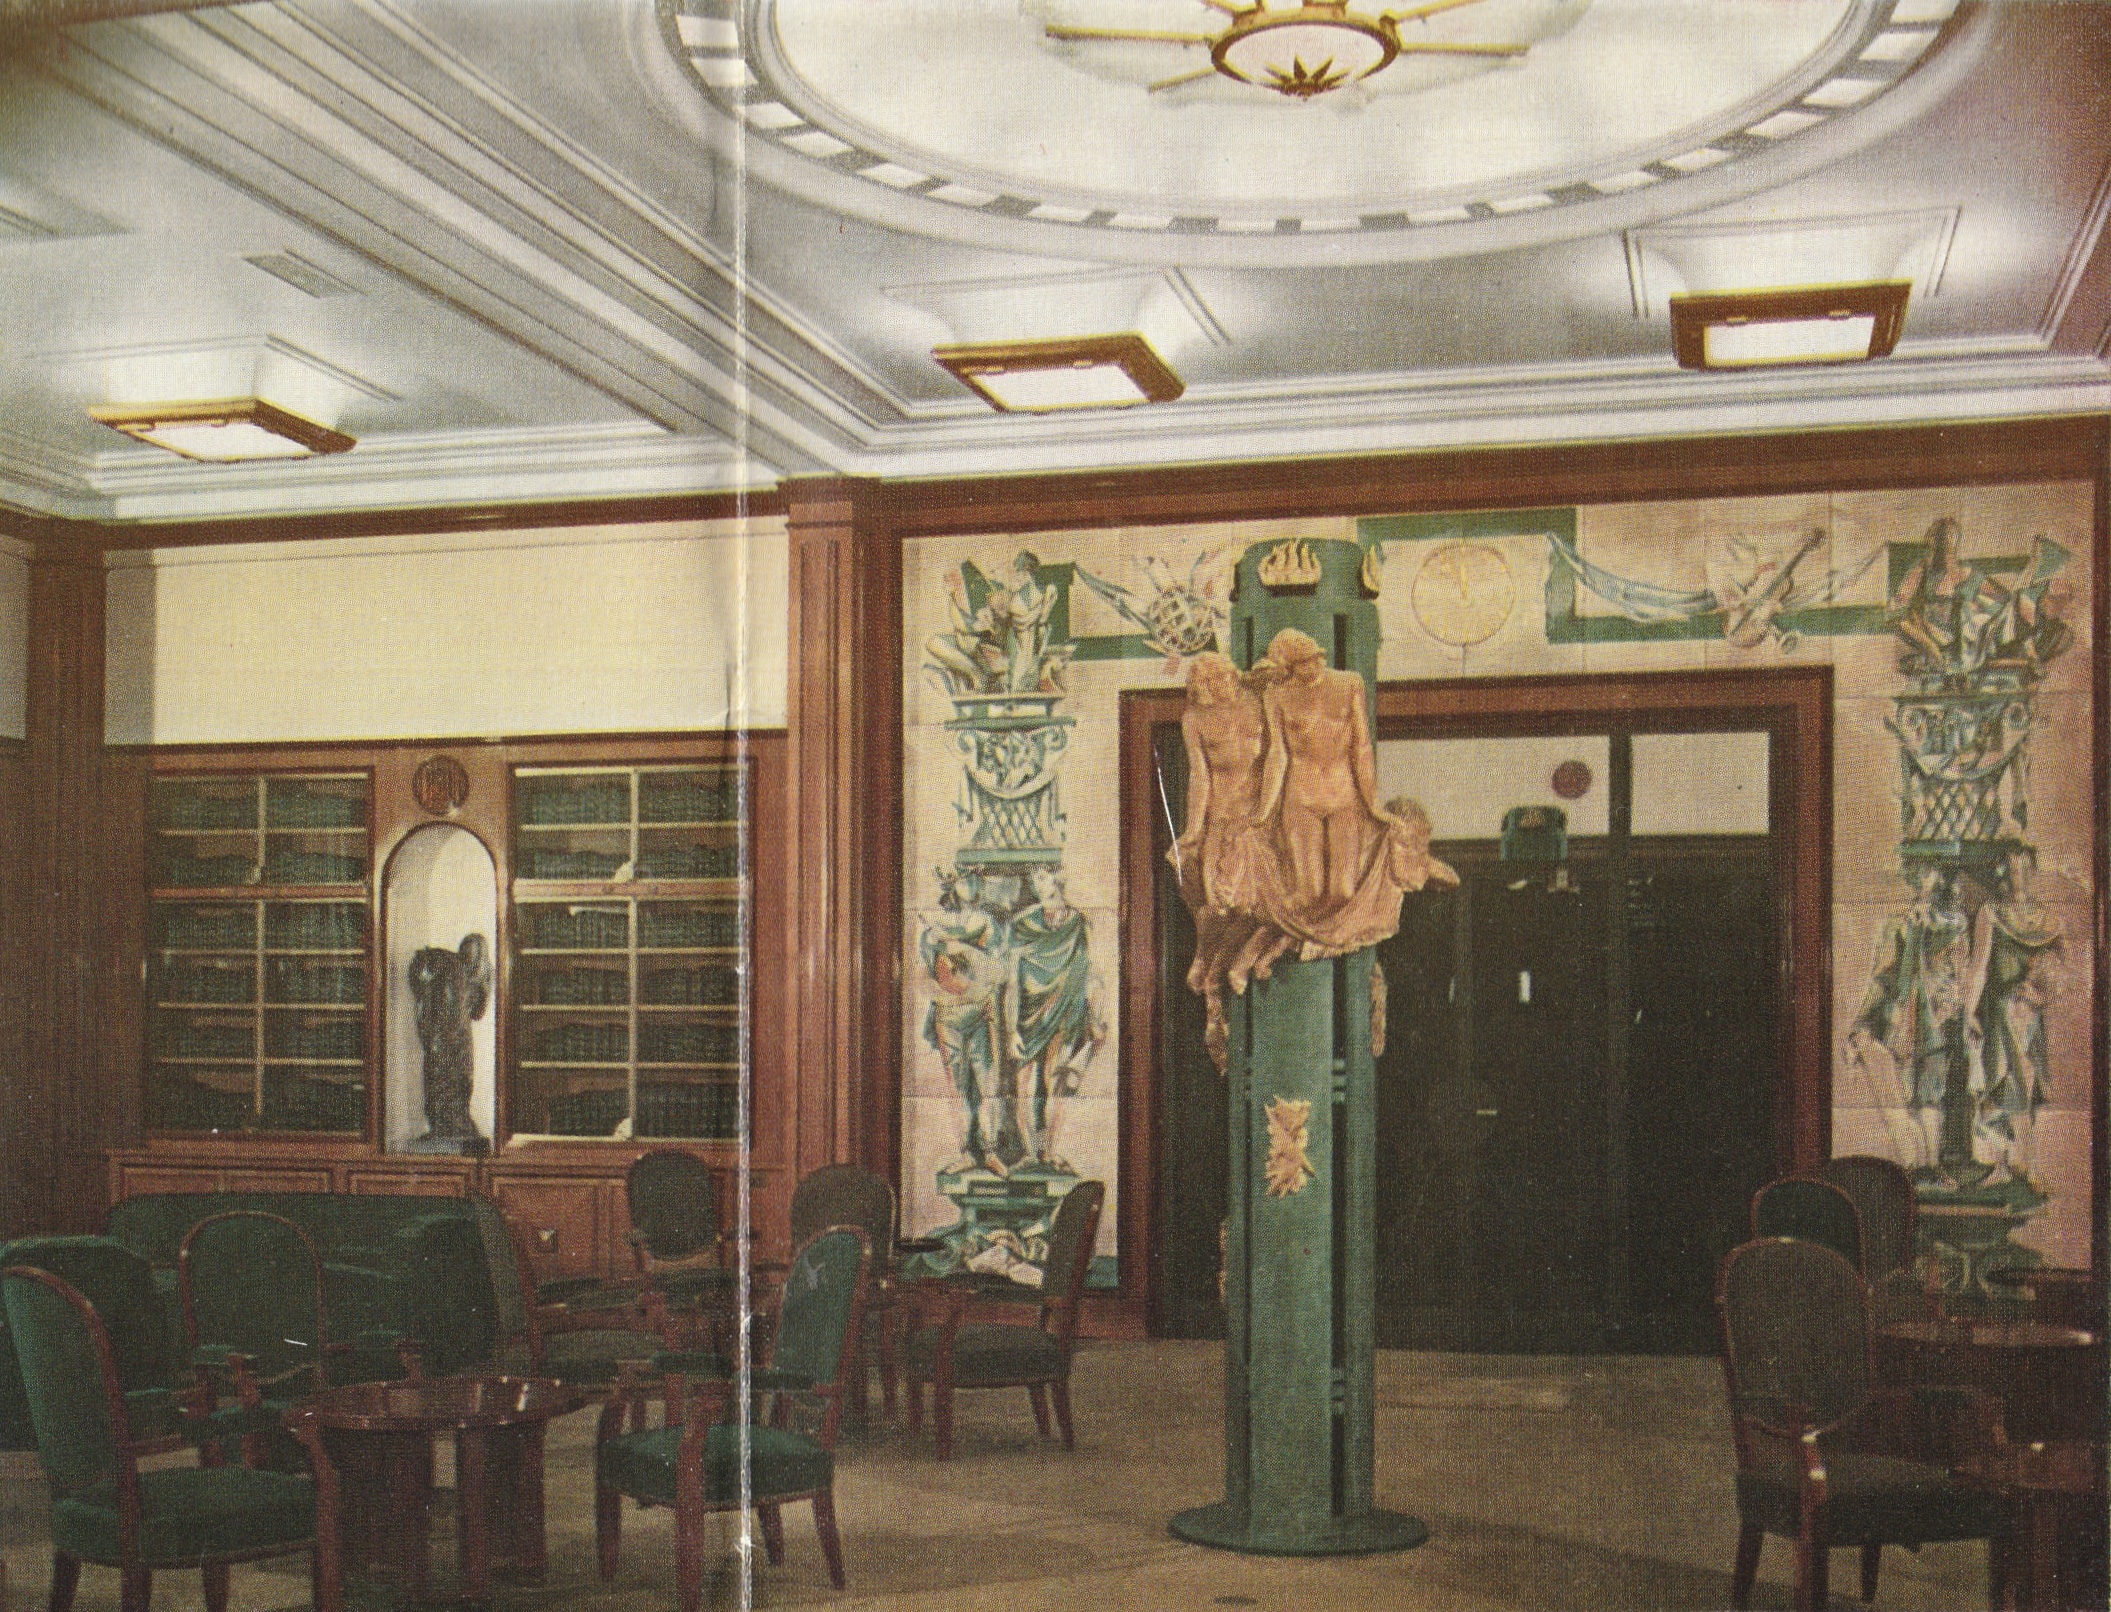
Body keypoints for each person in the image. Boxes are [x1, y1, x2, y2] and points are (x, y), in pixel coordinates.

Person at [1845, 863, 1970, 1183]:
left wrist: (1953, 1005)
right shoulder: (1897, 925)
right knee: (1905, 1094)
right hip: (1902, 1022)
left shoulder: (1953, 925)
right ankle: (1914, 1168)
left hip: (1937, 1021)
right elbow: (1881, 978)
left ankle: (1932, 1166)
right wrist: (1862, 1021)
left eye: (1932, 874)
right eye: (1922, 874)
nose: (1927, 882)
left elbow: (1961, 975)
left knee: (1931, 1093)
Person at [1964, 850, 2062, 1196]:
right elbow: (1978, 967)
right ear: (2003, 874)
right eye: (2011, 870)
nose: (2017, 877)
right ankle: (2015, 1166)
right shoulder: (1991, 913)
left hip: (2029, 1017)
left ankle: (2014, 1166)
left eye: (2023, 870)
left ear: (2032, 873)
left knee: (2024, 1088)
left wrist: (2038, 995)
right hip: (2000, 1015)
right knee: (2007, 1086)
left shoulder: (2045, 918)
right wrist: (1968, 1012)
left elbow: (2057, 975)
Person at [1010, 865, 1099, 1169]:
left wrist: (1093, 1017)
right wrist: (1011, 1028)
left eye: (1042, 877)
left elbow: (1090, 972)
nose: (1037, 884)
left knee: (1054, 1083)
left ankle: (1048, 1152)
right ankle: (1028, 1154)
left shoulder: (1078, 923)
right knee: (1022, 1088)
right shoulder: (1022, 924)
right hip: (1027, 1014)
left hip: (1064, 1010)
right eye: (1033, 878)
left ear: (1058, 877)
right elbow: (1012, 979)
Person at [920, 872, 1008, 1176]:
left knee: (988, 1084)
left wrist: (965, 949)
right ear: (951, 886)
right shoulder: (934, 928)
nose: (969, 885)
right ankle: (965, 1153)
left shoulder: (987, 923)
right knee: (957, 1089)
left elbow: (999, 971)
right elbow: (928, 975)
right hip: (949, 1015)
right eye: (962, 879)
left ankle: (991, 1152)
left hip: (981, 1011)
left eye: (973, 879)